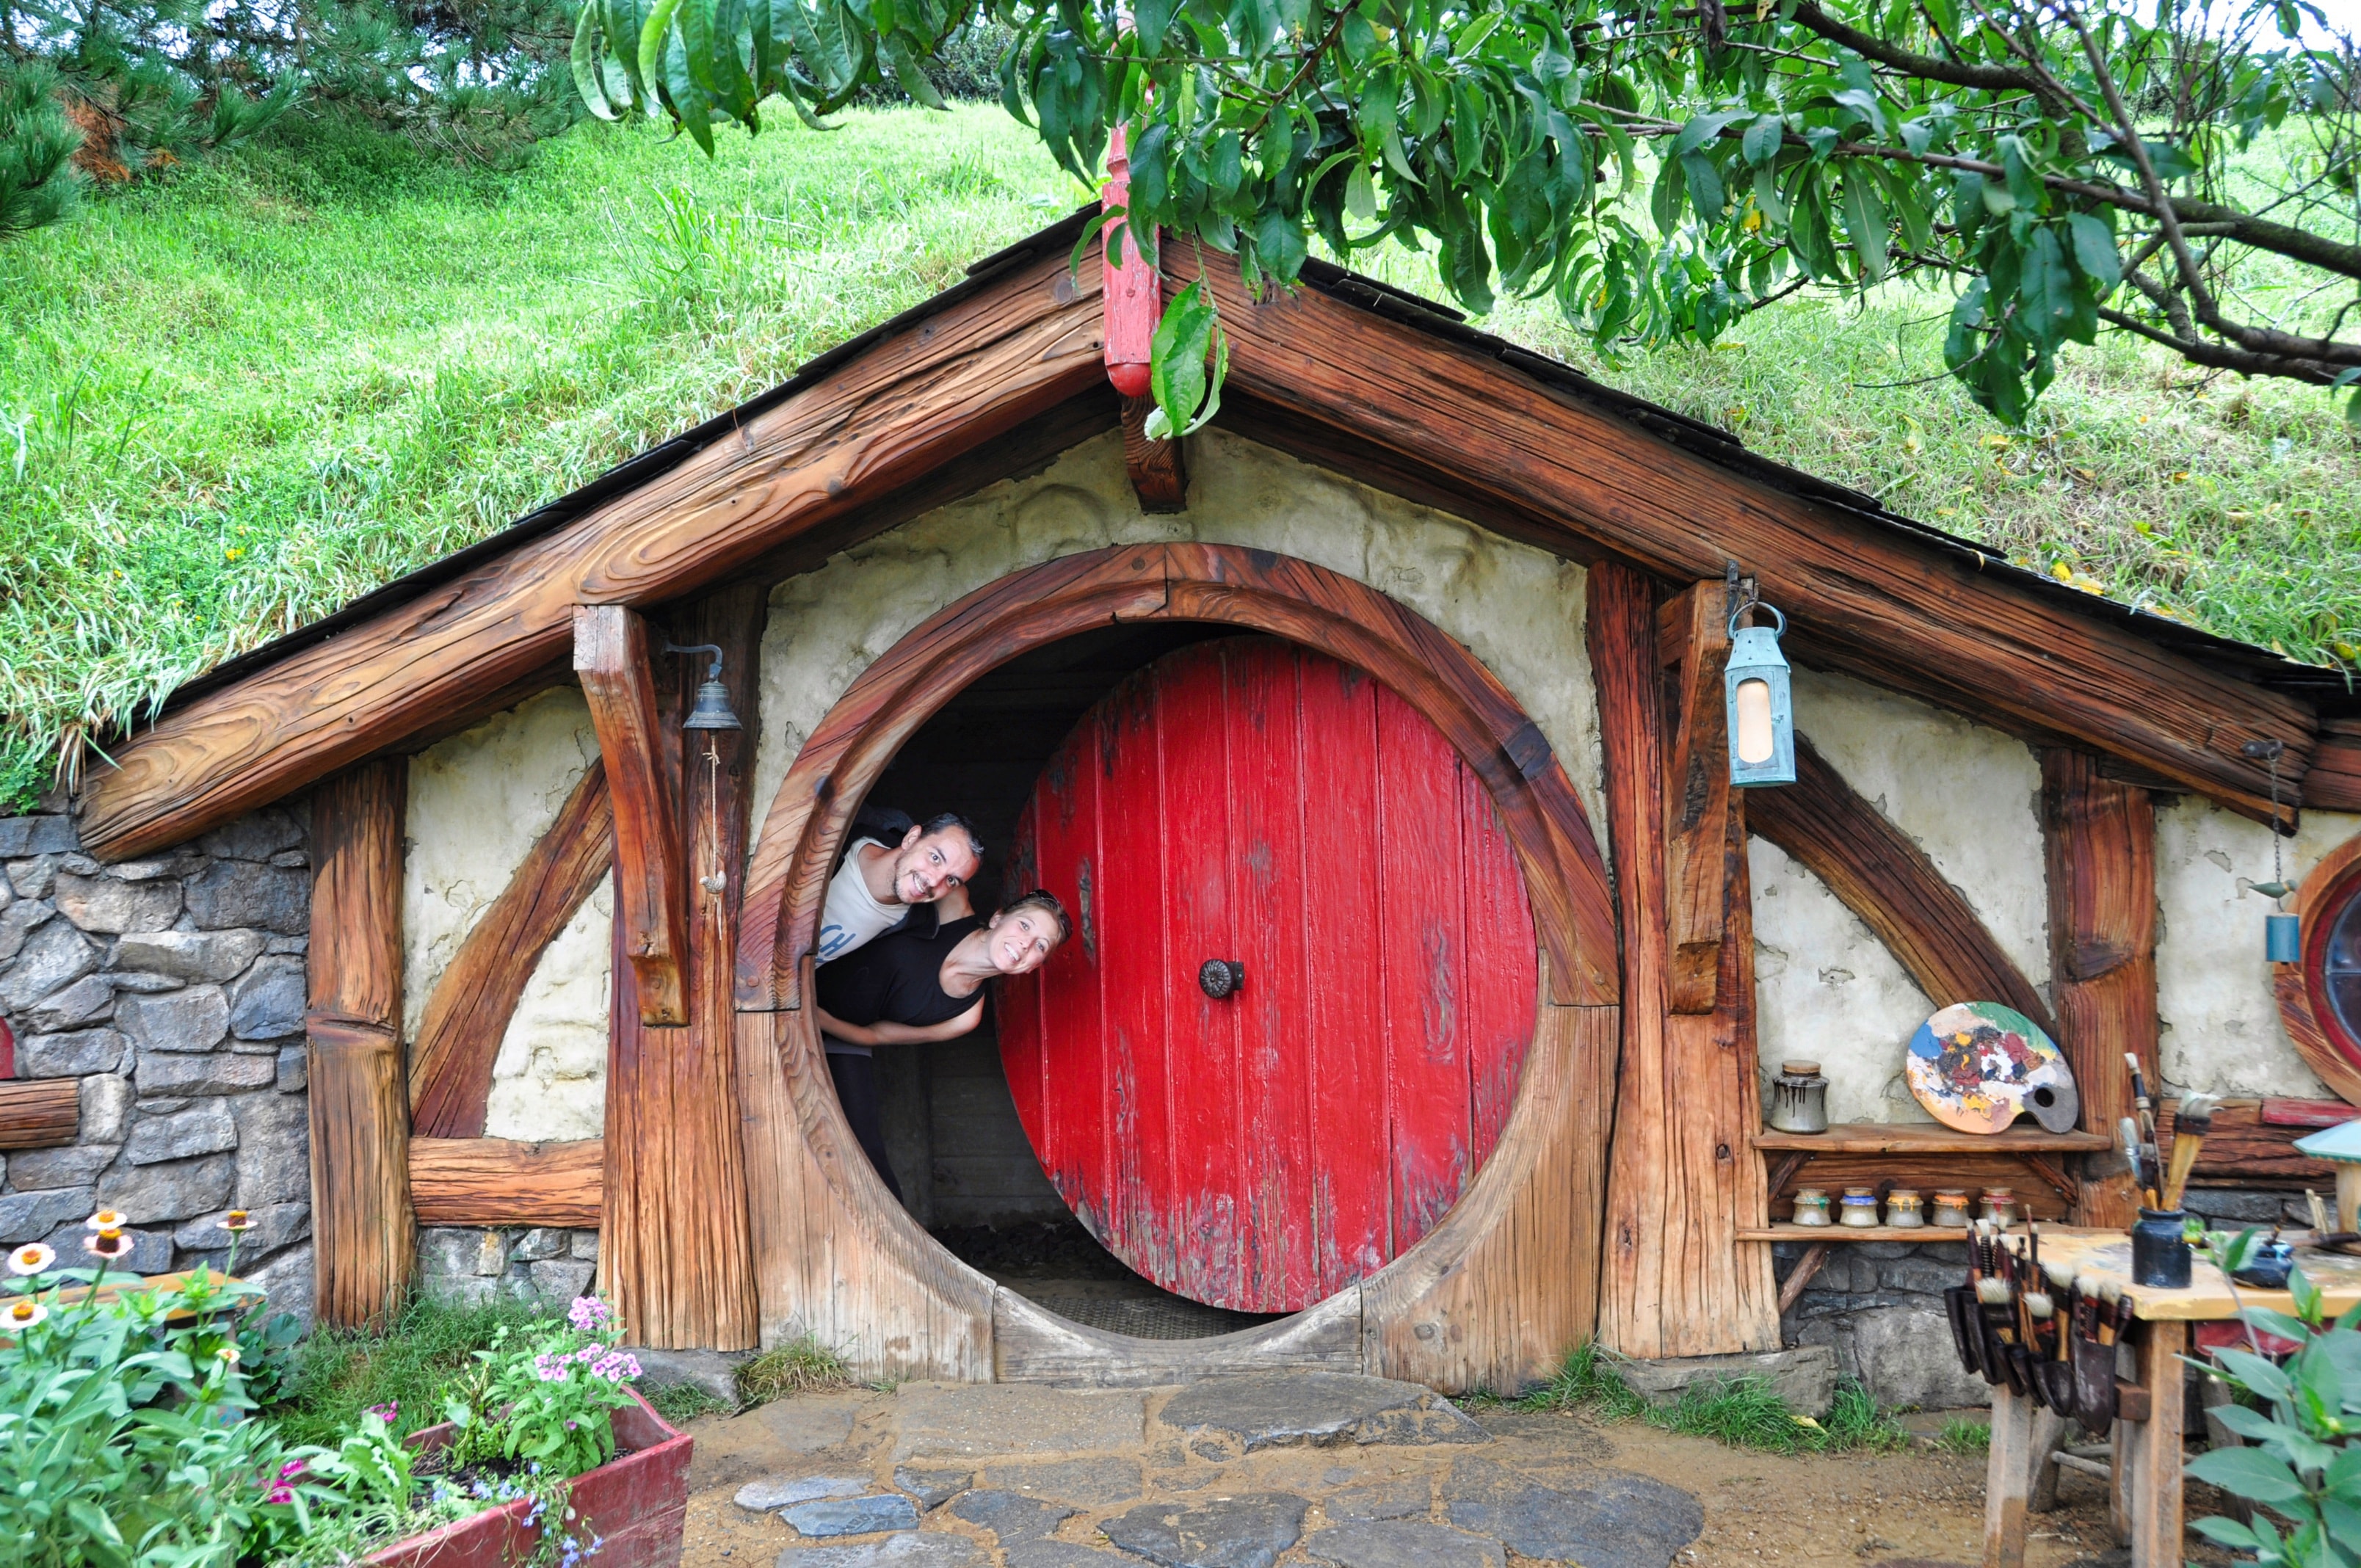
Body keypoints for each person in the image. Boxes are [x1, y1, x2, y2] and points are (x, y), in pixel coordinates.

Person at [814, 890, 1072, 1201]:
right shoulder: (954, 905)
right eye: (1025, 926)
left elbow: (875, 1035)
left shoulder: (966, 1017)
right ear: (998, 918)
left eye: (1040, 946)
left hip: (838, 1032)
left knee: (868, 1161)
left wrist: (816, 1019)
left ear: (1034, 967)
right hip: (811, 966)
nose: (1025, 944)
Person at [816, 809, 983, 964]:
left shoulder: (910, 926)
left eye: (951, 880)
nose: (933, 882)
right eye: (935, 858)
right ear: (911, 839)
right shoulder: (837, 833)